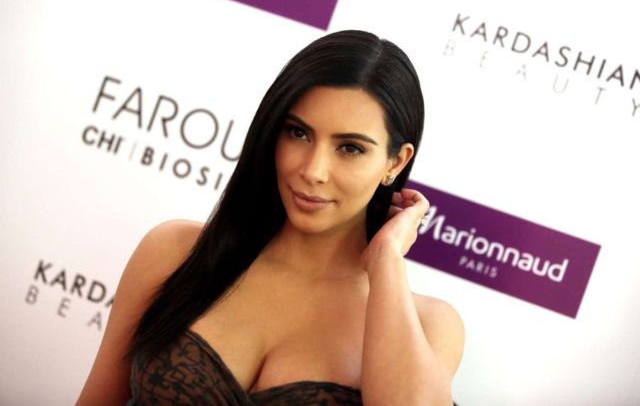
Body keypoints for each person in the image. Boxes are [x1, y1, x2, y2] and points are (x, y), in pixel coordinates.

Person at [77, 29, 464, 405]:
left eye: (350, 148)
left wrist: (386, 260)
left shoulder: (431, 325)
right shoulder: (174, 253)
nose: (313, 170)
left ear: (396, 162)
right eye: (298, 133)